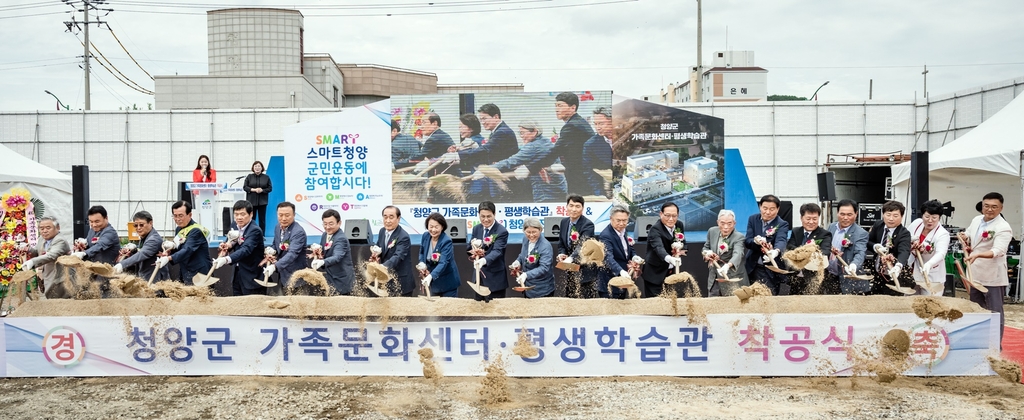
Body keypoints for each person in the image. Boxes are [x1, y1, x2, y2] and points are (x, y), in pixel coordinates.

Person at [963, 192, 1013, 344]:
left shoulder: (1003, 227)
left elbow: (999, 251)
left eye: (994, 207)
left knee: (994, 311)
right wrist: (964, 237)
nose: (989, 209)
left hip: (993, 276)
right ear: (982, 205)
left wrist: (978, 255)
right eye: (986, 206)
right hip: (974, 273)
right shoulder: (977, 219)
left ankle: (995, 345)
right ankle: (977, 342)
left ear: (1001, 208)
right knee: (976, 308)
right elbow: (969, 233)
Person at [528, 92, 596, 194]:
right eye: (555, 106)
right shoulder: (578, 122)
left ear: (573, 108)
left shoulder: (572, 126)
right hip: (584, 173)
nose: (556, 109)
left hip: (581, 176)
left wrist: (529, 168)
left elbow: (555, 151)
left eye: (560, 106)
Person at [490, 120, 568, 203]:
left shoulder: (533, 146)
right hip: (560, 187)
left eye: (523, 132)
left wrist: (488, 169)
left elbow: (512, 161)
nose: (521, 136)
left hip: (545, 192)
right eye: (520, 133)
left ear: (534, 132)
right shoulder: (545, 141)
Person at [213, 200, 265, 296]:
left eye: (242, 214)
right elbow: (231, 239)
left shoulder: (255, 230)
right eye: (236, 214)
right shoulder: (234, 225)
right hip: (237, 274)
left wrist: (226, 259)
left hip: (252, 277)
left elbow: (246, 249)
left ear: (251, 214)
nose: (239, 218)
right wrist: (226, 246)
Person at [743, 195, 791, 296]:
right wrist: (756, 242)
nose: (768, 212)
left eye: (772, 209)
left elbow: (781, 240)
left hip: (770, 269)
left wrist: (776, 251)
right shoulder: (753, 219)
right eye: (765, 208)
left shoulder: (782, 224)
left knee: (769, 296)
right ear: (760, 207)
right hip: (753, 266)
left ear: (778, 209)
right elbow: (747, 241)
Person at [641, 202, 687, 298]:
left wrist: (680, 252)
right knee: (657, 305)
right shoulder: (655, 229)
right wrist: (670, 259)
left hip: (669, 273)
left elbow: (684, 243)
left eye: (674, 216)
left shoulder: (679, 225)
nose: (671, 219)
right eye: (667, 215)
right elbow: (659, 248)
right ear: (661, 214)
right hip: (654, 274)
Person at [159, 200, 211, 285]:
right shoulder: (179, 229)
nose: (177, 219)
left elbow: (188, 249)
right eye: (175, 216)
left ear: (190, 215)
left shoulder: (196, 231)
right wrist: (169, 253)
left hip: (200, 273)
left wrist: (169, 258)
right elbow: (179, 248)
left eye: (180, 216)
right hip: (185, 271)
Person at [785, 203, 833, 295]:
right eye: (808, 219)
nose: (811, 222)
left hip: (814, 277)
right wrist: (804, 251)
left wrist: (805, 253)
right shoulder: (796, 231)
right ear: (801, 218)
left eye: (814, 219)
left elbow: (825, 251)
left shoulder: (825, 234)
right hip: (796, 277)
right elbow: (790, 246)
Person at [867, 200, 912, 294]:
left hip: (893, 275)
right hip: (877, 273)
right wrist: (875, 246)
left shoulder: (904, 233)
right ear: (883, 214)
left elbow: (904, 251)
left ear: (902, 217)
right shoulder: (878, 225)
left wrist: (898, 266)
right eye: (888, 215)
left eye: (895, 216)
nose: (891, 219)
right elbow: (868, 242)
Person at [557, 194, 597, 298]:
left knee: (586, 305)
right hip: (571, 271)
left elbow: (582, 246)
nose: (573, 209)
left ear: (582, 208)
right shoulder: (564, 222)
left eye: (577, 206)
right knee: (570, 302)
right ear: (566, 207)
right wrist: (562, 254)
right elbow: (562, 243)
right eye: (571, 205)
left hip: (585, 272)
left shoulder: (588, 225)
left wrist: (570, 258)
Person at [907, 200, 949, 296]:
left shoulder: (942, 234)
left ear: (939, 217)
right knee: (910, 302)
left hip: (932, 273)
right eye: (926, 217)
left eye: (934, 218)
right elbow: (905, 238)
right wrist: (911, 244)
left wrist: (929, 264)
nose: (930, 221)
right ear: (922, 215)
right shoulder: (916, 223)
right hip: (912, 270)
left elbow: (941, 253)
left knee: (931, 302)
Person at [826, 199, 869, 295]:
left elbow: (860, 252)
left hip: (849, 280)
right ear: (837, 213)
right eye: (842, 214)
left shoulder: (861, 233)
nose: (845, 218)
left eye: (849, 215)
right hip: (830, 276)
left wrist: (853, 265)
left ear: (856, 214)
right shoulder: (832, 227)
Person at [468, 201, 508, 301]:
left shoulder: (501, 231)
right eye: (482, 216)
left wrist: (483, 260)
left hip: (495, 280)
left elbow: (497, 251)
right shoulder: (476, 228)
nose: (485, 220)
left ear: (494, 214)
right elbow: (469, 246)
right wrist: (473, 251)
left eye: (489, 216)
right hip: (478, 279)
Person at [702, 210, 749, 297]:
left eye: (729, 223)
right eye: (722, 223)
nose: (726, 227)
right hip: (714, 277)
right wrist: (707, 254)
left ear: (734, 223)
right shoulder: (712, 231)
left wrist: (728, 265)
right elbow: (706, 248)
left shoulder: (739, 237)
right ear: (717, 222)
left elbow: (738, 253)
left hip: (732, 277)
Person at [22, 216, 70, 299]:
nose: (44, 231)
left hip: (60, 277)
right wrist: (28, 249)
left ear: (57, 227)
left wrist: (32, 262)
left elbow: (51, 256)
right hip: (47, 274)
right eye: (41, 228)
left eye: (48, 228)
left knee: (59, 301)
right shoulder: (42, 238)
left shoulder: (60, 240)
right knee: (51, 300)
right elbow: (37, 252)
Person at [115, 211, 169, 282]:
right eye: (135, 225)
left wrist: (122, 264)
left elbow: (142, 254)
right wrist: (133, 251)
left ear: (150, 223)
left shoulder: (154, 239)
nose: (138, 228)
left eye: (141, 225)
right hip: (146, 278)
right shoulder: (144, 237)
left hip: (156, 281)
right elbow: (140, 252)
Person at [311, 209, 355, 295]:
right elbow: (324, 252)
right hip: (330, 277)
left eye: (331, 224)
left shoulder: (341, 238)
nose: (327, 227)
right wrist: (317, 255)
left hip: (341, 280)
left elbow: (337, 257)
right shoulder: (325, 234)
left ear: (339, 223)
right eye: (325, 224)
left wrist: (323, 262)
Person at [418, 212, 461, 298]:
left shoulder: (446, 241)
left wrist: (430, 276)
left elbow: (443, 263)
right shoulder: (425, 236)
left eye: (436, 227)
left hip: (448, 283)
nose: (433, 230)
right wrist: (422, 265)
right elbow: (422, 252)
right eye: (431, 226)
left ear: (442, 227)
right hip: (434, 284)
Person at [598, 205, 636, 299]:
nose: (622, 223)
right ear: (611, 219)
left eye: (625, 220)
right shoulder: (605, 235)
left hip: (623, 281)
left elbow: (627, 249)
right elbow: (607, 257)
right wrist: (621, 271)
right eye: (618, 220)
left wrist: (634, 257)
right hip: (609, 282)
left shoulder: (623, 230)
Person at [269, 202, 307, 293]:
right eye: (280, 215)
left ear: (294, 215)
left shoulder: (298, 232)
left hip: (296, 277)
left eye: (287, 215)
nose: (283, 218)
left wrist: (274, 267)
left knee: (299, 305)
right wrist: (271, 250)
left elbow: (292, 254)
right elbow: (276, 243)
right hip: (283, 275)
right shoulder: (278, 227)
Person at [376, 206, 414, 296]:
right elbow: (379, 247)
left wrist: (382, 266)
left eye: (391, 217)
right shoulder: (382, 231)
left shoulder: (403, 236)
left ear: (398, 218)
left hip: (402, 283)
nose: (388, 221)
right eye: (385, 217)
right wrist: (376, 255)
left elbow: (398, 256)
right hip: (387, 281)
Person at [514, 217, 555, 298]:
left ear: (540, 230)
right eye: (528, 232)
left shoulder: (545, 246)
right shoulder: (525, 239)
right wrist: (518, 261)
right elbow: (523, 254)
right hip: (527, 288)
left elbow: (544, 268)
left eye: (534, 232)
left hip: (542, 290)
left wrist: (526, 275)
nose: (531, 235)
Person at [582, 107, 613, 197]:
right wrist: (600, 194)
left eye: (601, 124)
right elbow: (588, 172)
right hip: (605, 192)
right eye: (595, 124)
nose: (597, 128)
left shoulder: (626, 138)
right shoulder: (590, 145)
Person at [243, 160, 273, 232]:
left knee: (262, 219)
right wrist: (253, 190)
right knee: (251, 218)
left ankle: (262, 235)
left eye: (259, 166)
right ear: (253, 168)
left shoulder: (266, 177)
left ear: (261, 168)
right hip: (251, 201)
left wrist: (262, 190)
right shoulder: (249, 177)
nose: (257, 168)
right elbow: (245, 187)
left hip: (262, 201)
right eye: (255, 166)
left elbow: (270, 188)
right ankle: (250, 233)